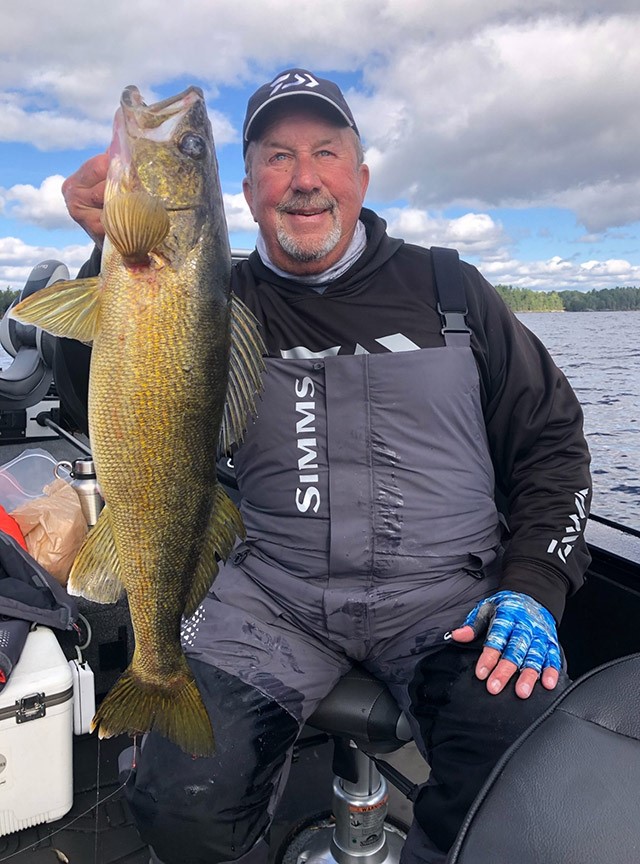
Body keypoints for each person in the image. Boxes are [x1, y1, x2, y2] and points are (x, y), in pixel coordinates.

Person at [58, 69, 591, 864]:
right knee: (177, 799)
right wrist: (103, 248)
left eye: (326, 152)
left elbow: (553, 445)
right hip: (274, 595)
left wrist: (535, 590)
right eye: (277, 157)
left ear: (361, 175)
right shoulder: (211, 298)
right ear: (244, 190)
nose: (304, 179)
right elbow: (92, 405)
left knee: (525, 779)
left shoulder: (451, 289)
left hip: (444, 593)